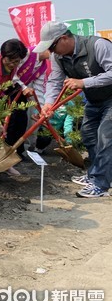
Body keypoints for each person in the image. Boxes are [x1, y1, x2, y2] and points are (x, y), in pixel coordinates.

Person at [34, 21, 112, 198]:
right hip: (94, 99)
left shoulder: (97, 45)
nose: (51, 52)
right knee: (88, 134)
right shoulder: (58, 57)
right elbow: (54, 81)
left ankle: (100, 184)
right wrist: (49, 103)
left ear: (63, 39)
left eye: (52, 47)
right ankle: (97, 174)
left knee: (106, 136)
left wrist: (84, 83)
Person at [0, 39, 28, 174]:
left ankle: (2, 164)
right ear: (3, 55)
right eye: (10, 60)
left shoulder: (11, 66)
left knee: (4, 132)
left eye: (17, 61)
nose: (13, 64)